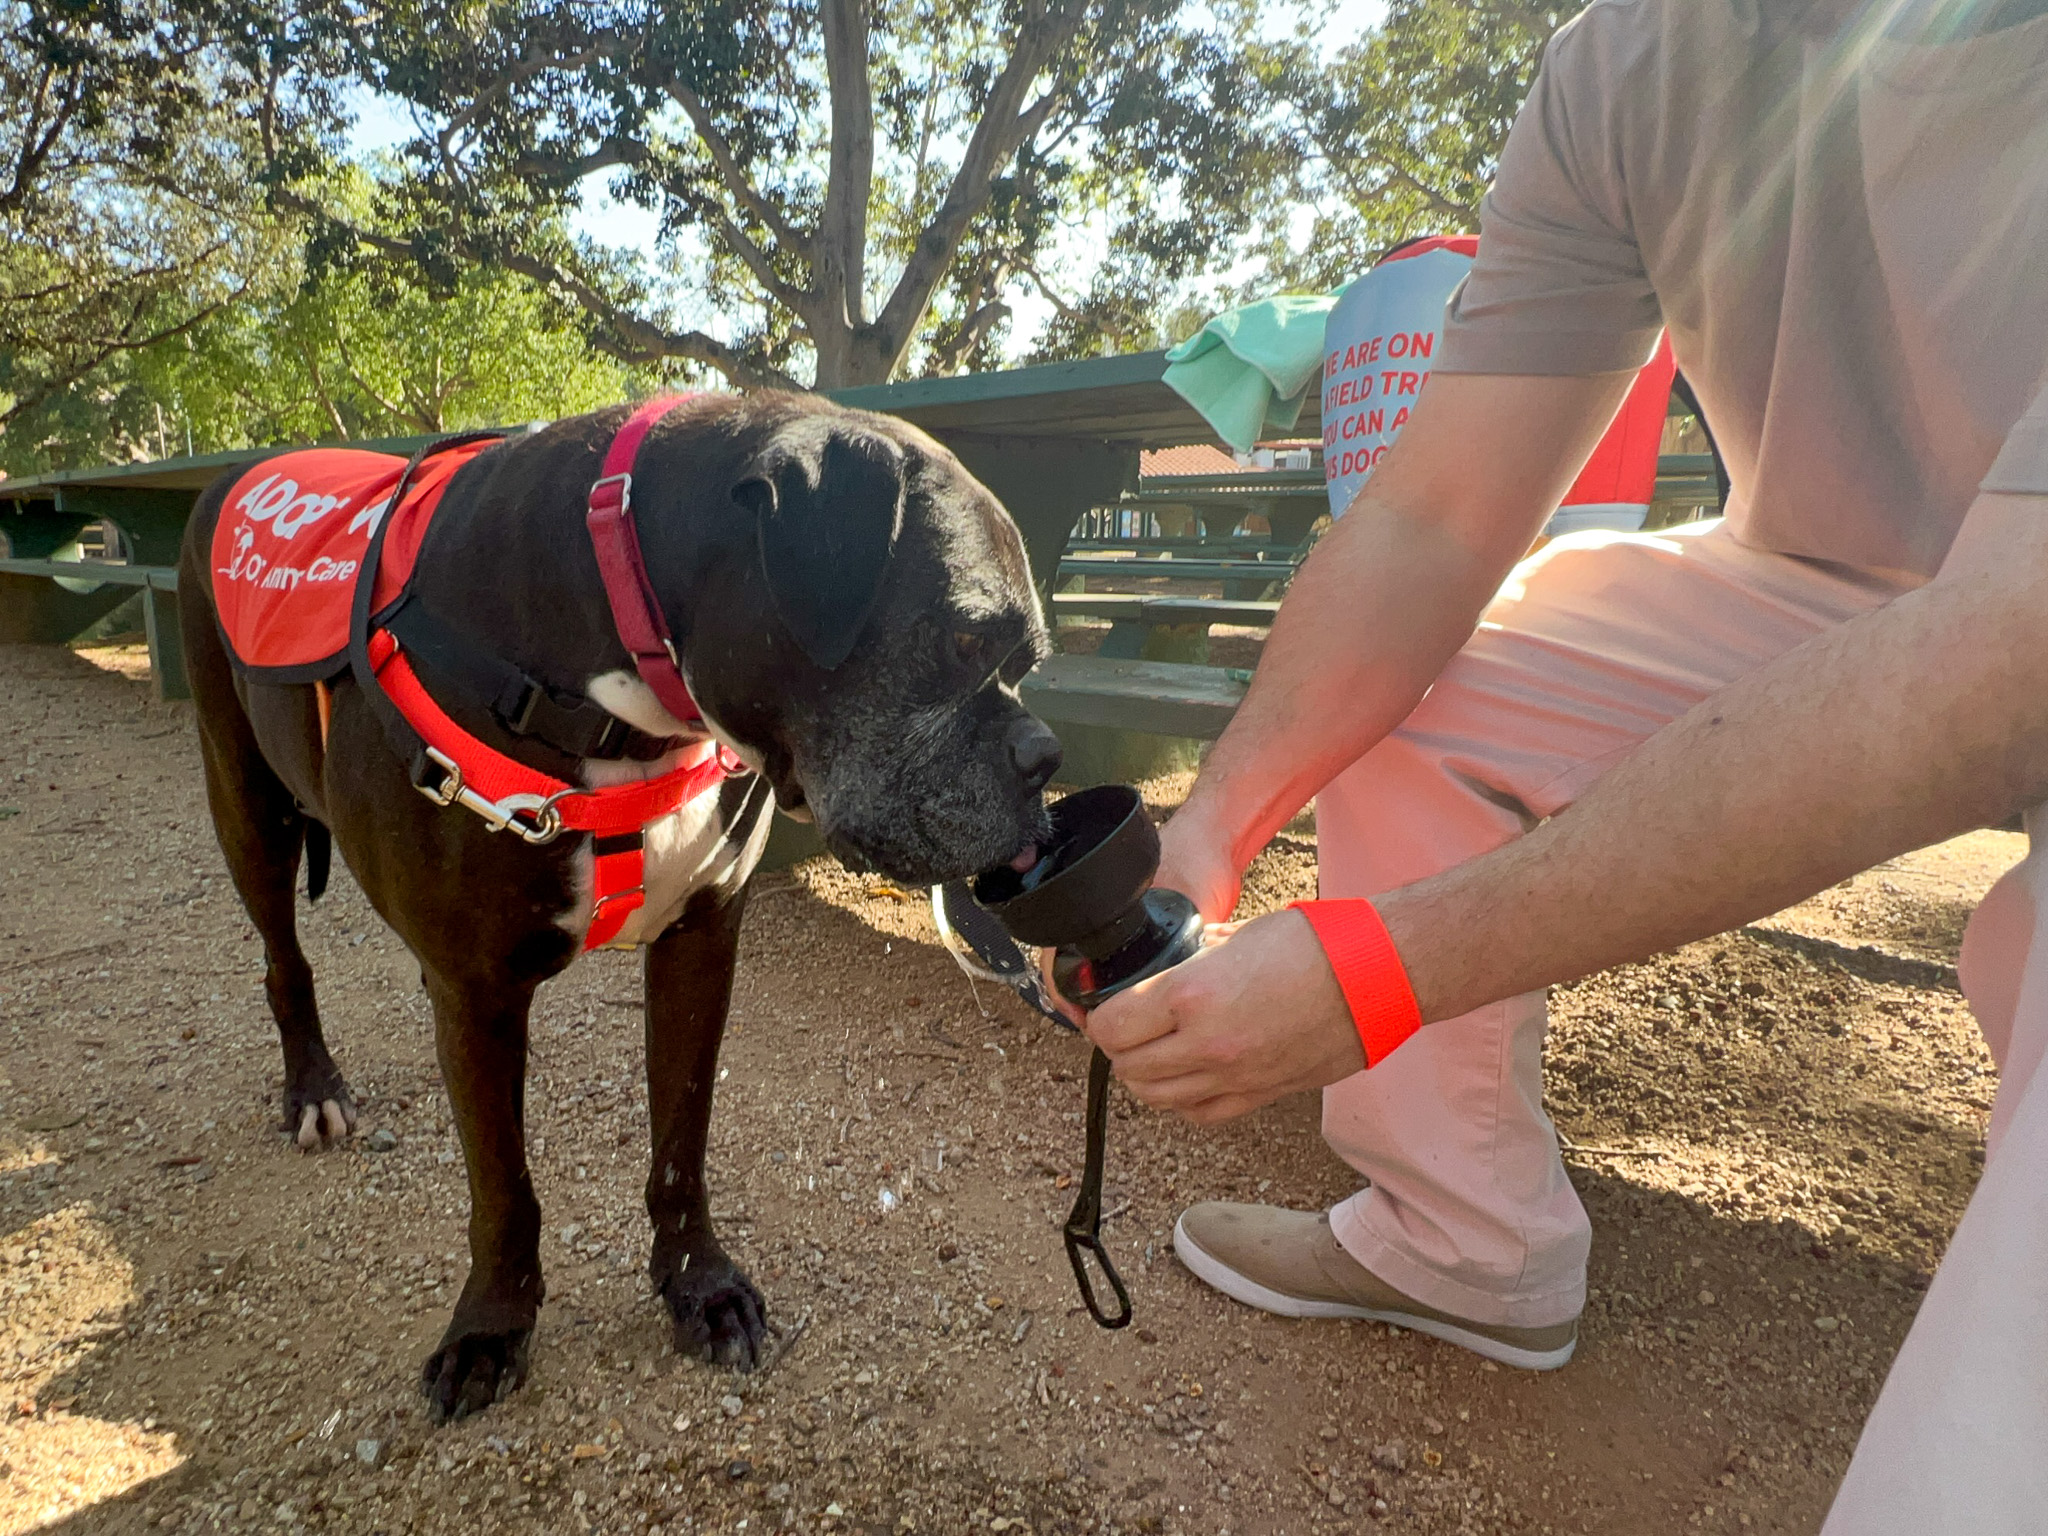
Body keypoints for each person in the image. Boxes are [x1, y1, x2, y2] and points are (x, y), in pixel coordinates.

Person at [1070, 0, 2048, 1525]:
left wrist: (1375, 976)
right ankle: (1465, 1241)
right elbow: (1433, 518)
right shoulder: (1626, 61)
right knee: (1424, 697)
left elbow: (2000, 669)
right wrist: (1222, 824)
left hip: (2021, 610)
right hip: (1832, 571)